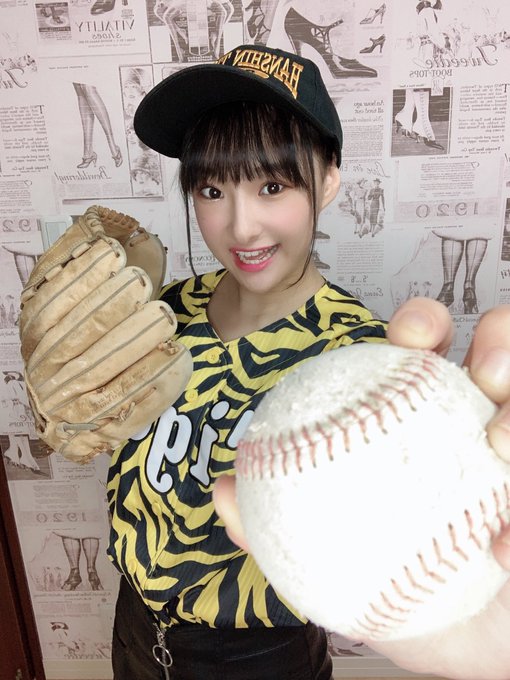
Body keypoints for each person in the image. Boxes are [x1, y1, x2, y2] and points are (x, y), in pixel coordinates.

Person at [105, 44, 510, 679]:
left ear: (327, 181)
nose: (241, 227)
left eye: (272, 186)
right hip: (133, 627)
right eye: (212, 189)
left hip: (259, 654)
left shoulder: (365, 367)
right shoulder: (163, 312)